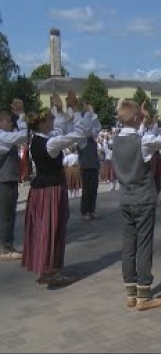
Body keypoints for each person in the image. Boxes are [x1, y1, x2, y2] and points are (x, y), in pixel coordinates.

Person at [23, 93, 92, 286]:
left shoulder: (39, 139)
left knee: (44, 229)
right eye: (50, 118)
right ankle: (52, 271)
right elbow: (78, 134)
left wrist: (61, 110)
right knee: (53, 228)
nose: (53, 120)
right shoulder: (50, 142)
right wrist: (76, 111)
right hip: (51, 191)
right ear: (43, 123)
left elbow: (60, 129)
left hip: (40, 189)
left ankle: (47, 268)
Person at [113, 99, 161, 311]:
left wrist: (143, 119)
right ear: (138, 118)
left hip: (125, 199)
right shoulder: (143, 140)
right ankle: (144, 295)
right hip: (143, 198)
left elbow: (135, 134)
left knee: (128, 245)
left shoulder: (116, 139)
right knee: (144, 246)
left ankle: (130, 293)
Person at [0, 99, 28, 261]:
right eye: (9, 121)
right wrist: (21, 115)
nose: (12, 124)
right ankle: (5, 247)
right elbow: (23, 136)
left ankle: (5, 245)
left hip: (5, 179)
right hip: (5, 180)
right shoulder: (3, 136)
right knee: (7, 215)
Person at [77, 98, 102, 220]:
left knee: (94, 188)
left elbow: (96, 129)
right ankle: (84, 211)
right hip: (85, 165)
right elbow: (87, 129)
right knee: (87, 189)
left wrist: (93, 115)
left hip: (94, 164)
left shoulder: (91, 138)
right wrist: (89, 113)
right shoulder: (82, 138)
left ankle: (92, 209)